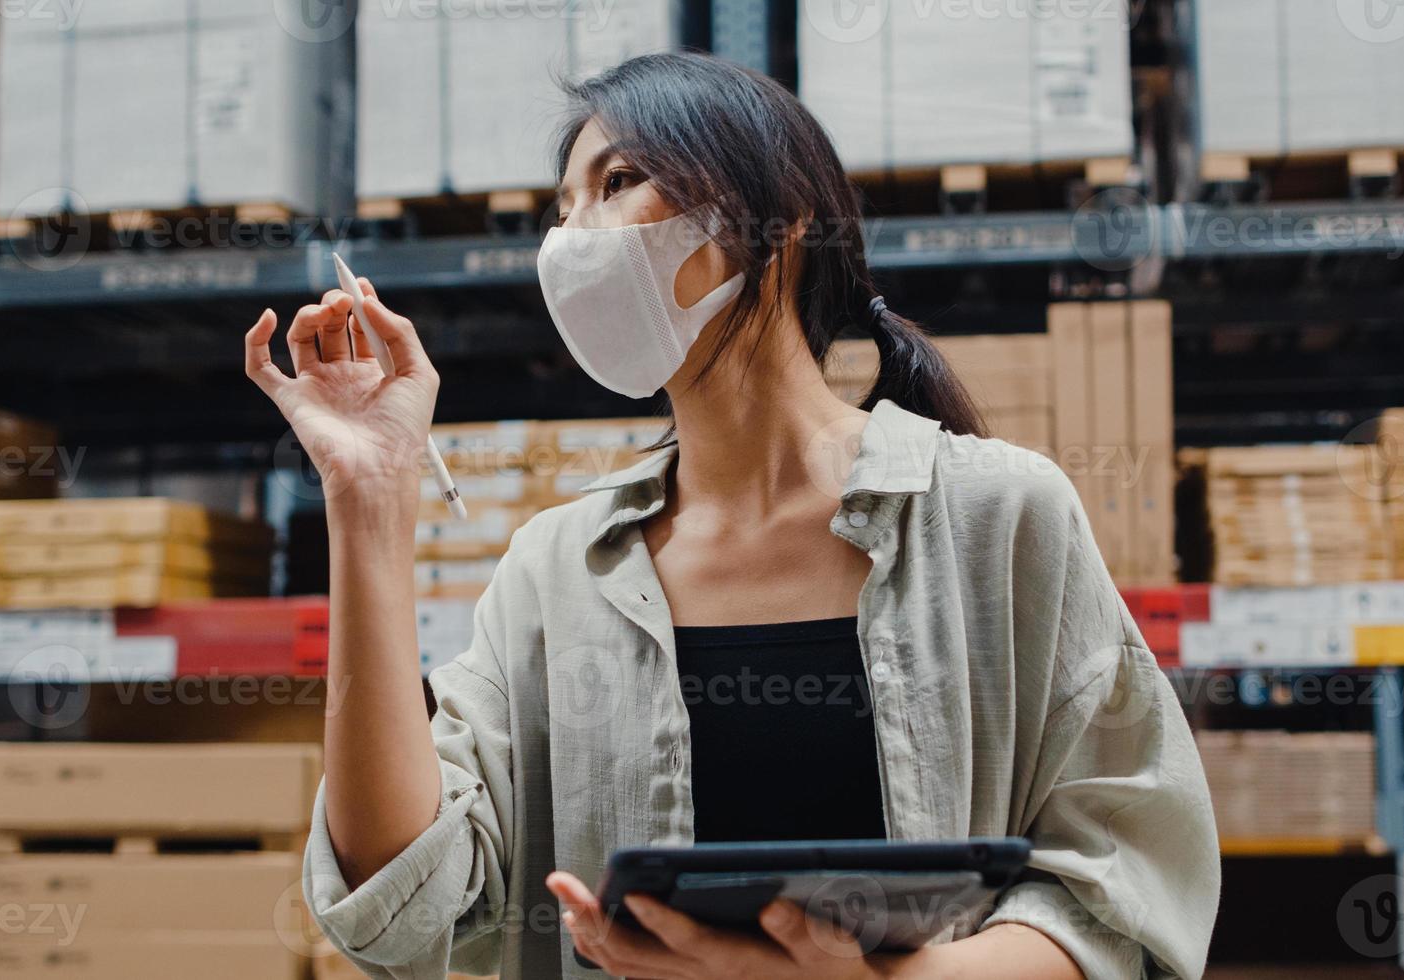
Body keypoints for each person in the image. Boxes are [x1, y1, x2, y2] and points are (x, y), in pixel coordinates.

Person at [244, 52, 1218, 980]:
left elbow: (1118, 887)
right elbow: (406, 903)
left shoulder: (997, 517)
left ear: (778, 221)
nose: (572, 234)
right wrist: (369, 503)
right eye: (561, 206)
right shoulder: (556, 569)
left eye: (616, 179)